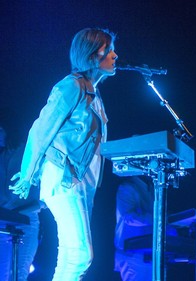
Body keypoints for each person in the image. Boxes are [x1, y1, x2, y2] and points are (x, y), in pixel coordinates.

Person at [9, 28, 118, 281]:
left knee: (72, 253)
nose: (115, 55)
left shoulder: (95, 93)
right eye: (109, 49)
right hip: (64, 176)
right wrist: (27, 174)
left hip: (83, 181)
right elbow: (41, 129)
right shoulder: (70, 86)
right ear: (92, 54)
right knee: (80, 254)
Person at [0, 122, 42, 281]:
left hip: (27, 222)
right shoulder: (1, 155)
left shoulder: (30, 153)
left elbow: (44, 198)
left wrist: (19, 212)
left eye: (0, 129)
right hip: (3, 222)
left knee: (18, 275)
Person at [114, 176, 154, 281]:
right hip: (133, 254)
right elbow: (129, 217)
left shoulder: (151, 186)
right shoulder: (127, 187)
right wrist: (159, 219)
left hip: (147, 253)